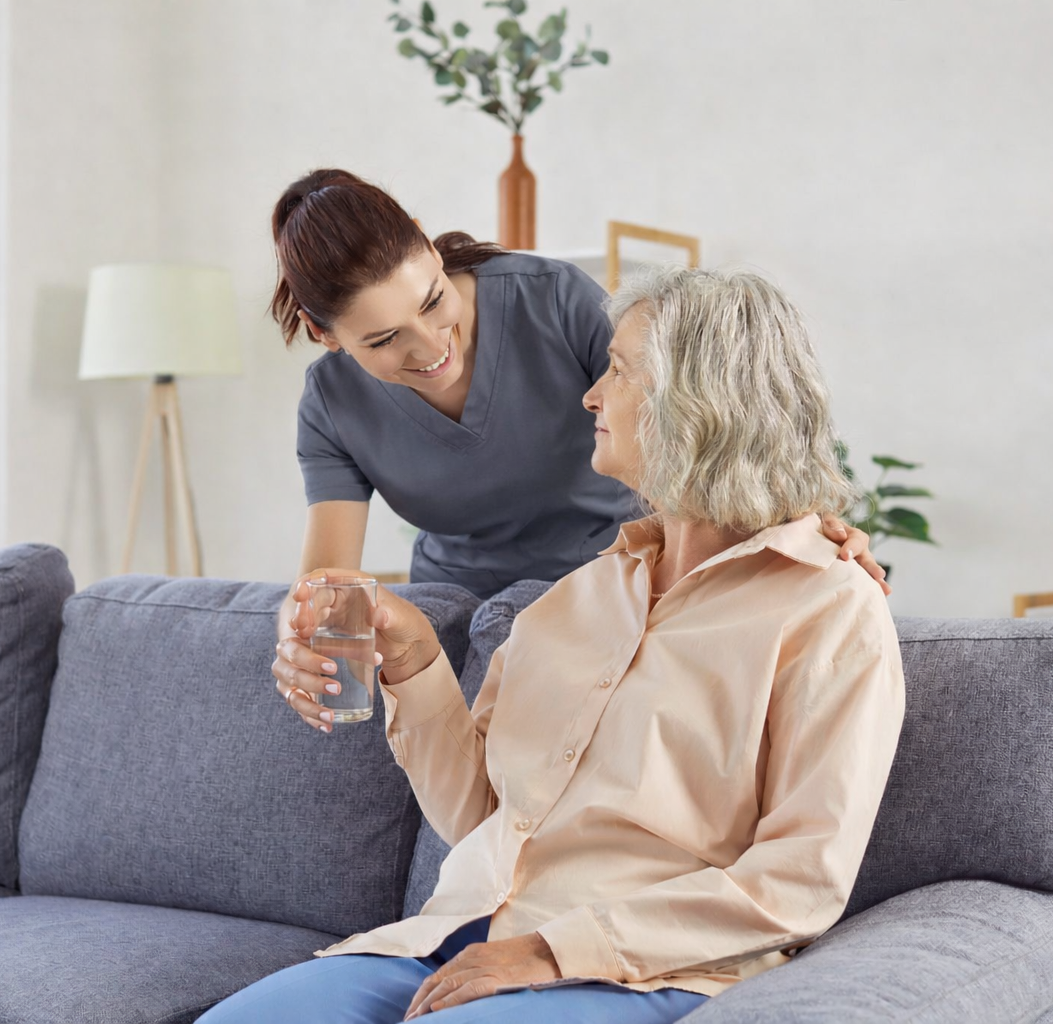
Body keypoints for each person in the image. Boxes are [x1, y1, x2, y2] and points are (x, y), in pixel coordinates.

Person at [222, 266, 905, 1023]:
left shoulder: (829, 607)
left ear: (701, 403)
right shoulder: (571, 600)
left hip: (635, 972)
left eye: (618, 370)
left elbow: (800, 880)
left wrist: (548, 953)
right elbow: (485, 815)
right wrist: (415, 662)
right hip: (456, 942)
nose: (590, 395)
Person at [268, 169, 886, 603]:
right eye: (382, 340)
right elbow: (328, 585)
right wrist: (306, 637)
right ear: (326, 336)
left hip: (614, 586)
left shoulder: (555, 300)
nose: (431, 347)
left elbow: (709, 415)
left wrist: (806, 528)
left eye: (434, 301)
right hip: (460, 612)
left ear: (429, 244)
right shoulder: (332, 405)